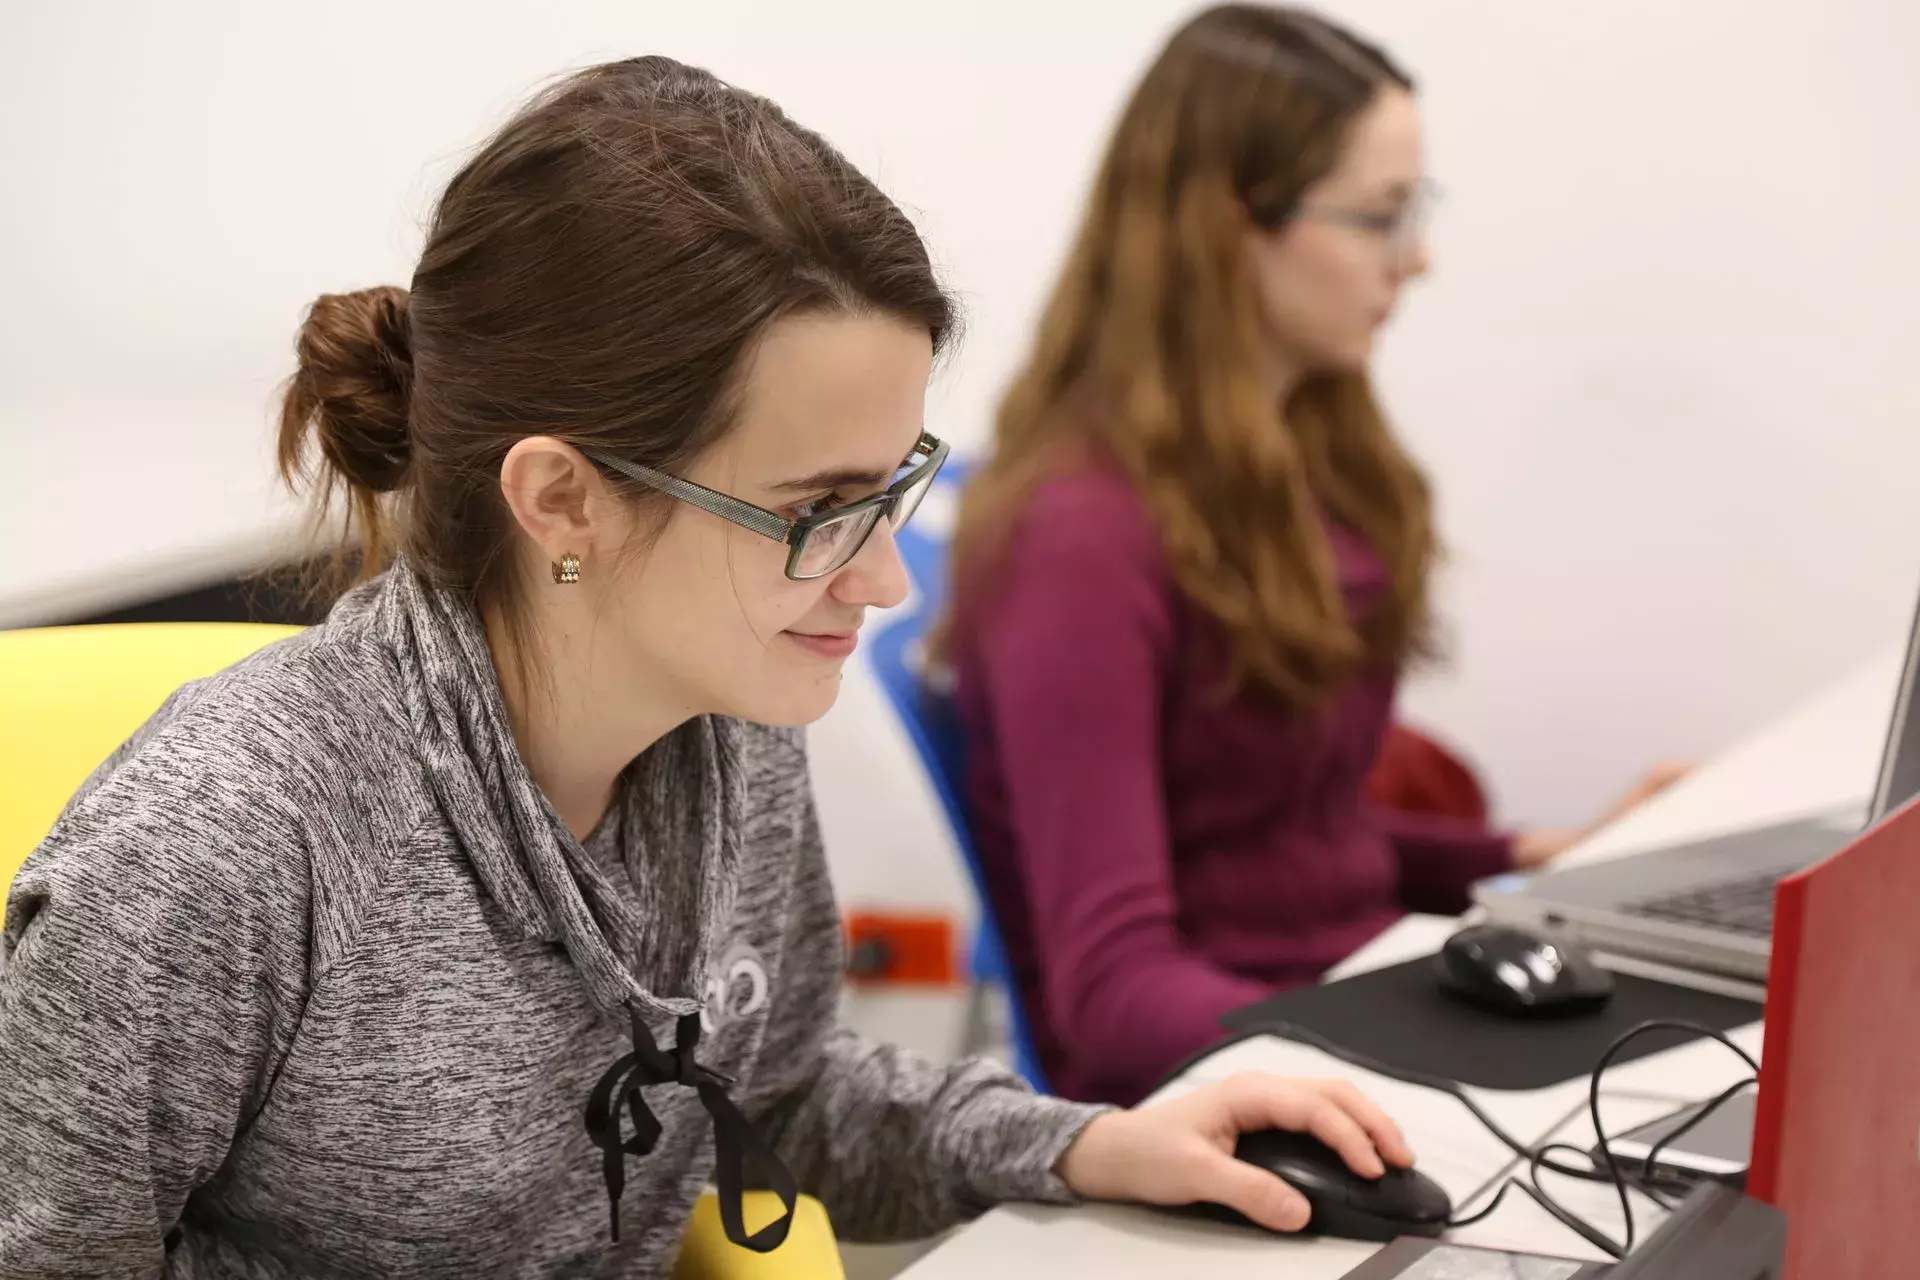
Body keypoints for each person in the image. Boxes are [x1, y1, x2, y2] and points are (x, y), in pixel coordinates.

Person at [0, 55, 1429, 1278]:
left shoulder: (726, 727)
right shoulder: (226, 844)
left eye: (892, 489)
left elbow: (787, 1092)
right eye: (815, 514)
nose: (877, 580)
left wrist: (1096, 1145)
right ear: (562, 499)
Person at [942, 5, 1683, 1108]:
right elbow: (1112, 992)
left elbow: (1275, 831)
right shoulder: (1078, 537)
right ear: (1228, 228)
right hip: (1228, 1081)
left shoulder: (1307, 459)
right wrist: (1418, 1050)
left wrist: (1545, 848)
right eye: (1382, 215)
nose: (1417, 258)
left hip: (1339, 1003)